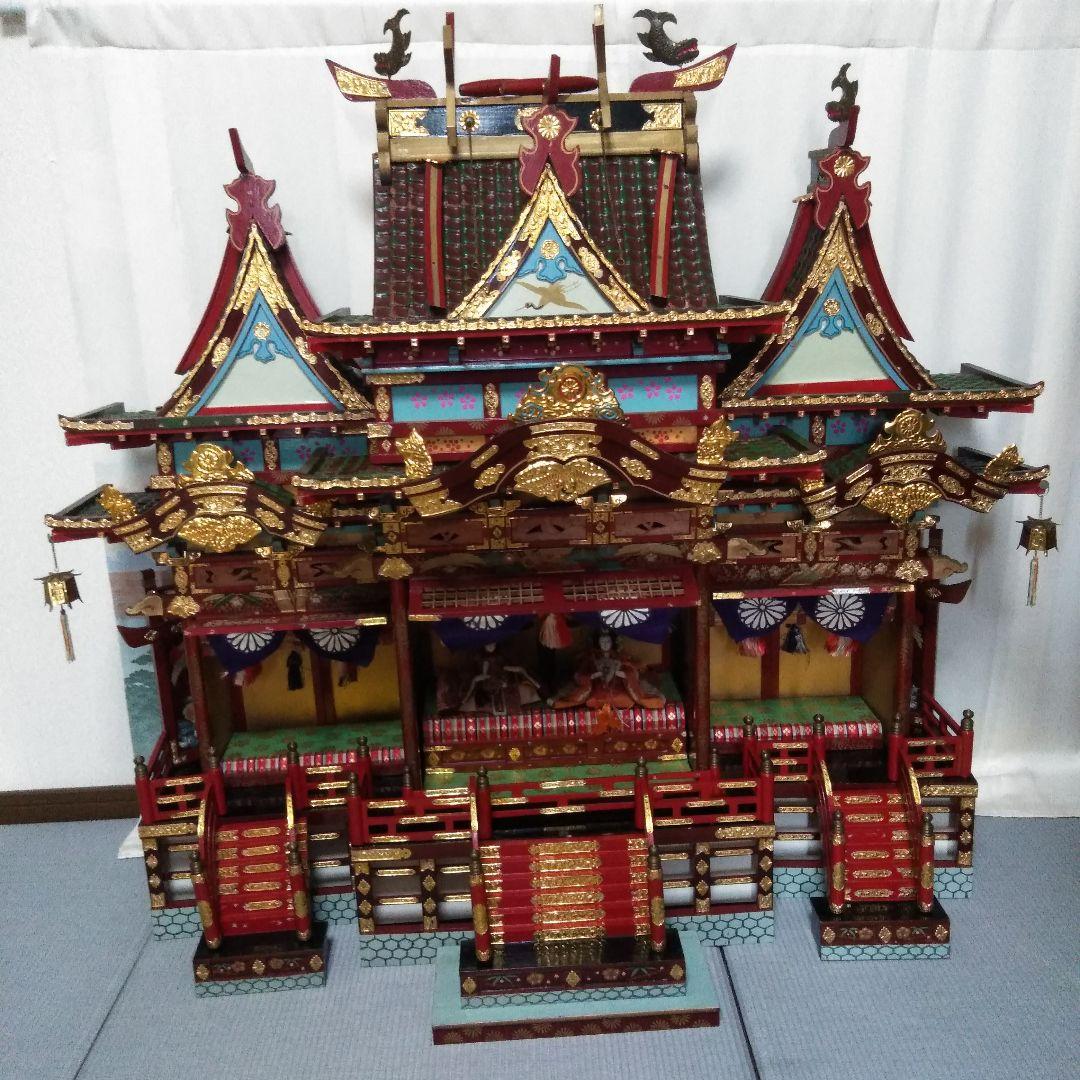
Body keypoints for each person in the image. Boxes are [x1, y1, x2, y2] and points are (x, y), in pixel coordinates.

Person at [552, 630, 665, 710]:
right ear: (598, 643)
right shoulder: (592, 658)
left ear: (612, 642)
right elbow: (580, 675)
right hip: (598, 690)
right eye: (602, 642)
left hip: (617, 689)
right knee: (591, 700)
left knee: (627, 699)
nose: (605, 644)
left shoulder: (620, 657)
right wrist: (592, 676)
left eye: (608, 642)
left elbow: (632, 672)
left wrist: (623, 674)